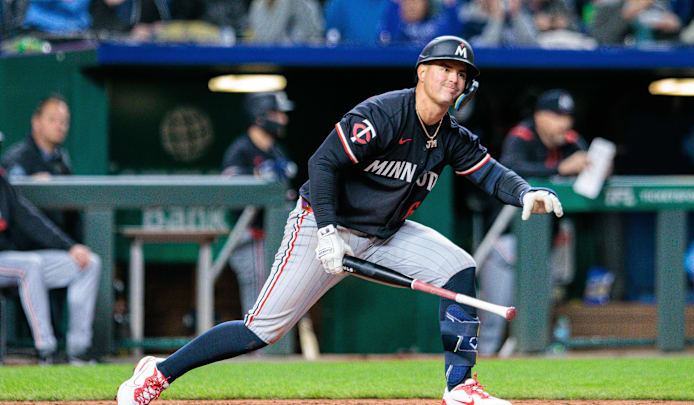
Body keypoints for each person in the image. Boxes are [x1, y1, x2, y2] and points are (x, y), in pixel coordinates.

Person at [115, 35, 563, 405]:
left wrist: (528, 191)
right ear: (422, 71)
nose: (453, 77)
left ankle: (461, 385)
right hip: (323, 224)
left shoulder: (450, 136)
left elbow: (489, 173)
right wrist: (326, 230)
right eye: (445, 68)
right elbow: (323, 163)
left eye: (461, 73)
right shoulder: (385, 113)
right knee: (261, 330)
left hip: (384, 233)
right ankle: (158, 372)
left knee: (459, 268)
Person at [477, 89, 588, 355]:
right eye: (556, 116)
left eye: (567, 116)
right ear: (539, 116)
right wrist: (560, 170)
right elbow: (510, 167)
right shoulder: (522, 136)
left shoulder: (571, 141)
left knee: (536, 319)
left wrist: (596, 167)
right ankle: (474, 379)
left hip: (546, 245)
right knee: (493, 318)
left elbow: (587, 167)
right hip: (506, 239)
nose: (563, 123)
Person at [0, 168, 101, 364]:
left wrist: (69, 247)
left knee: (88, 264)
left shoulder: (2, 182)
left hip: (10, 259)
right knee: (30, 265)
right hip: (12, 261)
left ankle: (78, 351)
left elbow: (29, 219)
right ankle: (45, 350)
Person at [221, 91, 297, 318]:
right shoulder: (240, 150)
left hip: (273, 235)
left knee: (275, 291)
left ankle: (267, 348)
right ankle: (257, 350)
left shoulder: (277, 151)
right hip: (247, 235)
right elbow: (229, 190)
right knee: (258, 291)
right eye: (277, 114)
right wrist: (256, 177)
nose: (282, 119)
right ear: (260, 116)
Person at [2, 94, 82, 242]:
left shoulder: (62, 159)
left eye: (64, 121)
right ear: (36, 122)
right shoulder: (18, 157)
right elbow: (11, 200)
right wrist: (29, 182)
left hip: (59, 242)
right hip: (27, 244)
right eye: (52, 120)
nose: (60, 126)